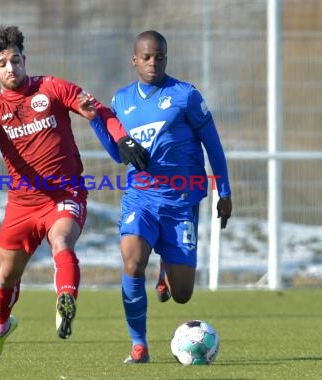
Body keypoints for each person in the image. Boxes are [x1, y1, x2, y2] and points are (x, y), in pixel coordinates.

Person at [0, 25, 147, 361]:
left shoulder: (53, 88)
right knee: (5, 277)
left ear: (24, 59)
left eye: (15, 60)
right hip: (22, 205)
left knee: (62, 241)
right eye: (2, 63)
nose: (11, 68)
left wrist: (122, 138)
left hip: (65, 195)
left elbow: (98, 110)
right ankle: (1, 327)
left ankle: (65, 301)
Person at [91, 30, 232, 363]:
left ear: (166, 58)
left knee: (183, 295)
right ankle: (139, 345)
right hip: (140, 198)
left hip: (180, 202)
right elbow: (117, 153)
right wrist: (97, 121)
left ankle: (167, 272)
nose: (154, 62)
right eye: (147, 57)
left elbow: (213, 145)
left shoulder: (186, 96)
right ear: (135, 60)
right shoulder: (121, 101)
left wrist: (223, 191)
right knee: (132, 262)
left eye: (160, 57)